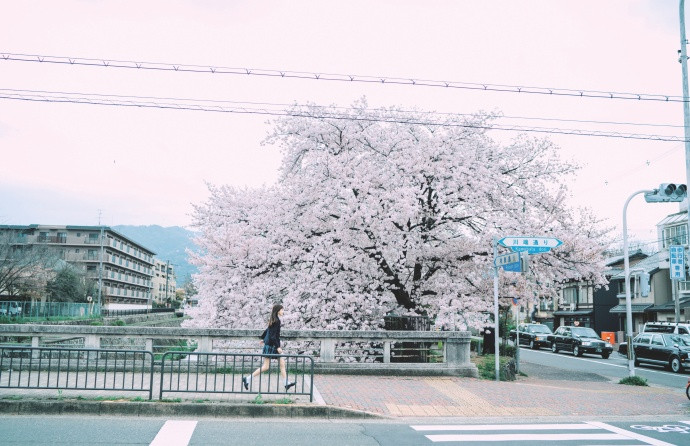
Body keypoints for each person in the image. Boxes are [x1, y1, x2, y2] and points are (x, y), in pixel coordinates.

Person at [242, 304, 296, 391]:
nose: (283, 311)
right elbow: (273, 335)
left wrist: (264, 339)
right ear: (278, 310)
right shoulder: (277, 321)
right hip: (273, 346)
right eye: (282, 310)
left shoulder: (273, 319)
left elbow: (268, 331)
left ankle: (286, 383)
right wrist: (278, 347)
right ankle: (247, 379)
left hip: (269, 345)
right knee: (267, 366)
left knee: (282, 364)